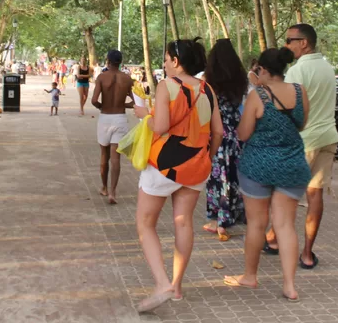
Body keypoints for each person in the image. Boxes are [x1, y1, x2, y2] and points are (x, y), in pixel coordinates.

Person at [132, 39, 223, 312]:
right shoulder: (208, 89)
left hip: (164, 164)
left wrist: (143, 115)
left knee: (145, 223)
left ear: (175, 61)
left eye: (166, 58)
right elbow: (218, 132)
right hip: (197, 165)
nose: (164, 63)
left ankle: (162, 284)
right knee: (183, 222)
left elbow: (159, 126)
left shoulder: (166, 86)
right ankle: (178, 285)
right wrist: (208, 157)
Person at [224, 47, 310, 301]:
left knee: (257, 224)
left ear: (261, 70)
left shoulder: (257, 96)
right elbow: (302, 123)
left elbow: (243, 134)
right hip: (292, 163)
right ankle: (290, 285)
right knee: (285, 225)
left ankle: (250, 276)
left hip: (258, 165)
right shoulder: (299, 91)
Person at [266, 23, 336, 271]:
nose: (287, 45)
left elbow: (286, 111)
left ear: (303, 43)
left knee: (286, 196)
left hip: (302, 141)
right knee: (314, 195)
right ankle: (307, 254)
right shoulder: (329, 69)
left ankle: (276, 241)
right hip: (328, 137)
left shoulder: (297, 71)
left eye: (289, 40)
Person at [202, 39, 247, 241]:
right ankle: (231, 217)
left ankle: (219, 221)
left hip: (217, 132)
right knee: (233, 176)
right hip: (236, 133)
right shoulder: (241, 77)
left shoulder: (208, 79)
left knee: (218, 178)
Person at [91, 50, 135, 204]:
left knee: (104, 155)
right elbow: (135, 101)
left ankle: (104, 187)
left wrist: (103, 106)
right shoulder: (127, 79)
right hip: (120, 119)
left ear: (107, 61)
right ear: (120, 62)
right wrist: (122, 105)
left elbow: (94, 100)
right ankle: (113, 192)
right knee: (116, 157)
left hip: (105, 118)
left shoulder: (102, 77)